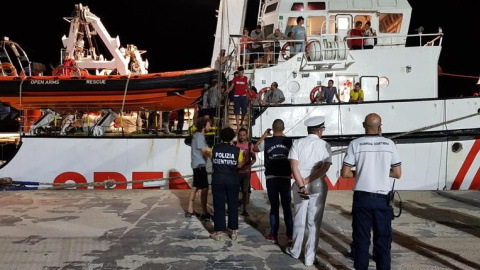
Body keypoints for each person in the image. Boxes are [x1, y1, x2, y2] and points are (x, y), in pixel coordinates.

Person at [341, 113, 402, 270]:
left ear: (363, 125)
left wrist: (362, 172)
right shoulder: (389, 144)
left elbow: (345, 173)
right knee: (383, 242)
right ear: (380, 127)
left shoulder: (355, 144)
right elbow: (397, 173)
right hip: (382, 200)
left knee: (361, 241)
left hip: (362, 199)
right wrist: (380, 172)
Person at [285, 116, 332, 266]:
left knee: (300, 217)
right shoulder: (325, 145)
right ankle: (309, 258)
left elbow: (294, 167)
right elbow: (325, 167)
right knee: (314, 222)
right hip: (317, 187)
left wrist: (302, 184)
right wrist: (309, 180)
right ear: (319, 131)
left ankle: (295, 250)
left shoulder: (297, 143)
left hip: (302, 188)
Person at [253, 119, 293, 244]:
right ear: (284, 128)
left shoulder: (267, 141)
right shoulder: (289, 141)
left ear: (272, 128)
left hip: (271, 177)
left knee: (274, 207)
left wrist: (265, 135)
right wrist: (282, 134)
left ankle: (273, 235)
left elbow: (255, 148)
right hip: (285, 177)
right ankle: (290, 234)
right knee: (287, 207)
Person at [209, 127, 245, 241]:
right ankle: (233, 232)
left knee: (218, 205)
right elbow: (239, 165)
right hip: (232, 180)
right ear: (232, 137)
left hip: (218, 179)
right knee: (233, 205)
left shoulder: (214, 148)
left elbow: (212, 159)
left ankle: (218, 232)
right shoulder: (237, 150)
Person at [186, 117, 212, 220]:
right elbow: (204, 151)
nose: (210, 126)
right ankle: (204, 212)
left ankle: (190, 210)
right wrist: (216, 153)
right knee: (204, 188)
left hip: (197, 165)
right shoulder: (200, 136)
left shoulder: (197, 136)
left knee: (195, 187)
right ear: (203, 126)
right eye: (209, 125)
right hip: (200, 165)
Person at [235, 127, 256, 216]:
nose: (242, 137)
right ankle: (235, 208)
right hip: (236, 172)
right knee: (235, 191)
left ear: (247, 135)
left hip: (246, 172)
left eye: (244, 135)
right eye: (240, 135)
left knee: (245, 191)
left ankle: (244, 210)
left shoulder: (250, 145)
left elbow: (254, 159)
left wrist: (249, 165)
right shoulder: (235, 145)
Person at [227, 66, 249, 131]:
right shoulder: (235, 78)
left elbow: (246, 86)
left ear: (243, 72)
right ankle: (238, 125)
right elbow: (232, 86)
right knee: (236, 111)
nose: (240, 74)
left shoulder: (245, 78)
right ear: (238, 72)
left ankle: (241, 121)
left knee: (244, 111)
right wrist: (228, 90)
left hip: (243, 96)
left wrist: (249, 92)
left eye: (242, 72)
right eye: (239, 72)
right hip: (236, 96)